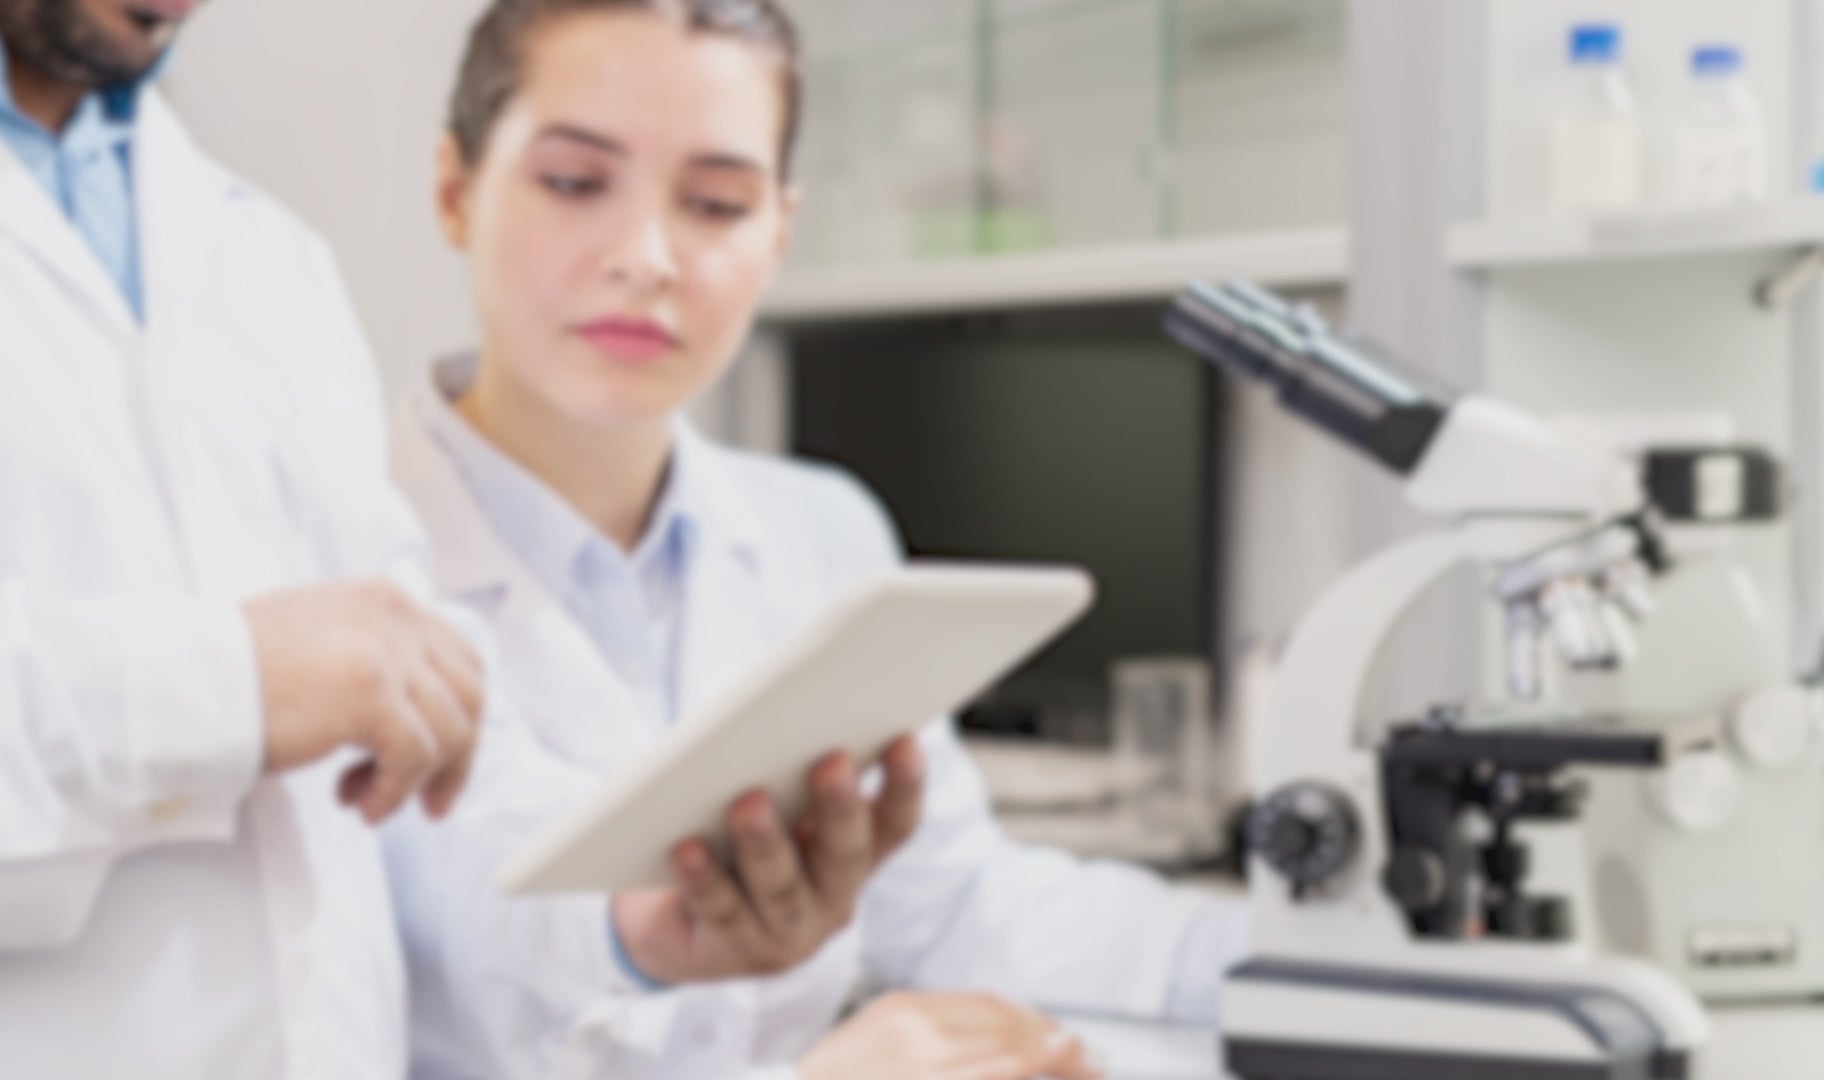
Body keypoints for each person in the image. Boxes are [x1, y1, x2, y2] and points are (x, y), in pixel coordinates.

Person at [384, 0, 1251, 1077]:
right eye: (573, 182)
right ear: (456, 191)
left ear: (779, 233)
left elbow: (953, 902)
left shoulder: (822, 531)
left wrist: (1310, 959)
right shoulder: (331, 558)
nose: (647, 257)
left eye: (715, 203)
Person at [0, 0, 487, 1073]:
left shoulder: (269, 258)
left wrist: (632, 931)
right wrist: (231, 687)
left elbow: (392, 756)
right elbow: (271, 679)